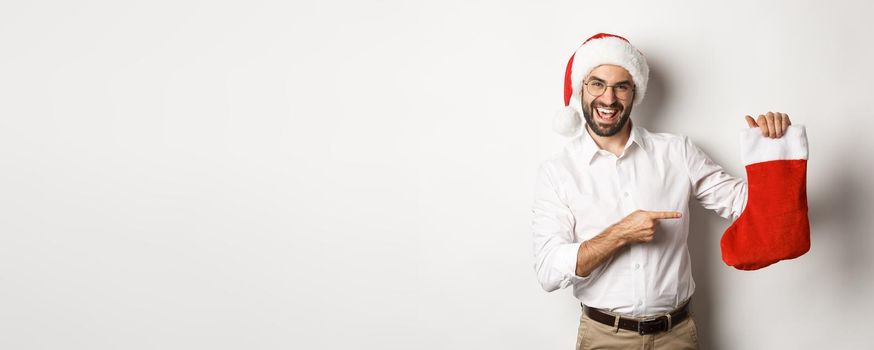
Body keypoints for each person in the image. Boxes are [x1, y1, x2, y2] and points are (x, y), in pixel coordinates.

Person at [531, 33, 794, 350]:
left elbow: (749, 206)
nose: (609, 98)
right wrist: (620, 233)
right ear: (581, 90)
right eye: (597, 84)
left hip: (677, 336)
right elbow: (547, 269)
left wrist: (773, 154)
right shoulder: (558, 171)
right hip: (603, 338)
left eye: (621, 86)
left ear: (635, 92)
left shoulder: (676, 152)